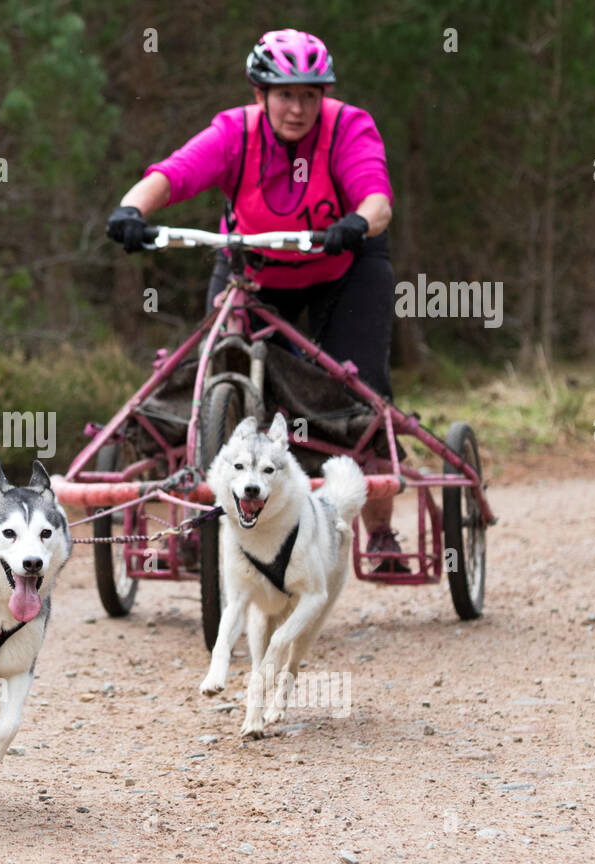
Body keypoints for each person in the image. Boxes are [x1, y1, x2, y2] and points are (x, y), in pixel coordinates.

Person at [106, 28, 408, 572]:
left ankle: (380, 529)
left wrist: (357, 223)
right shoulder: (235, 133)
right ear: (259, 94)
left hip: (345, 265)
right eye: (286, 94)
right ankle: (205, 519)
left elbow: (377, 199)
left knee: (360, 390)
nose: (298, 108)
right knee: (212, 369)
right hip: (253, 266)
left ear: (324, 96)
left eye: (310, 95)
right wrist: (132, 210)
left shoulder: (347, 128)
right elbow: (172, 175)